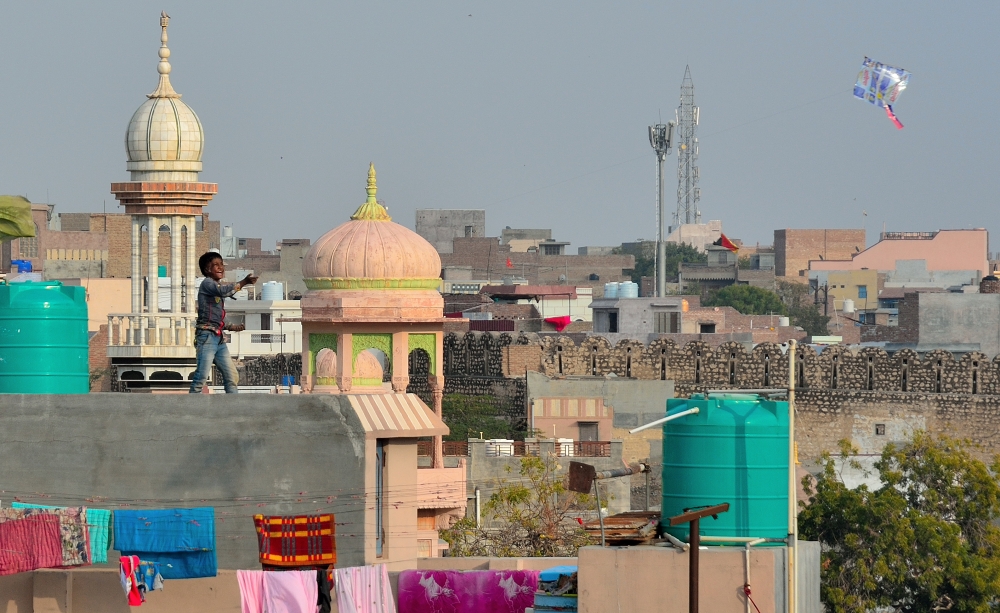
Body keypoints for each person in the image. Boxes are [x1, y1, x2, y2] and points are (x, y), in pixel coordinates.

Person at [189, 252, 258, 393]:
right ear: (208, 270)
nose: (221, 268)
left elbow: (217, 315)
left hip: (218, 339)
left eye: (221, 265)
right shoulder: (208, 284)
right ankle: (191, 409)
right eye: (216, 265)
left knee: (232, 376)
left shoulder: (215, 287)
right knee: (201, 377)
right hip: (207, 337)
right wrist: (244, 282)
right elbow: (225, 292)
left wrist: (233, 327)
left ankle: (232, 410)